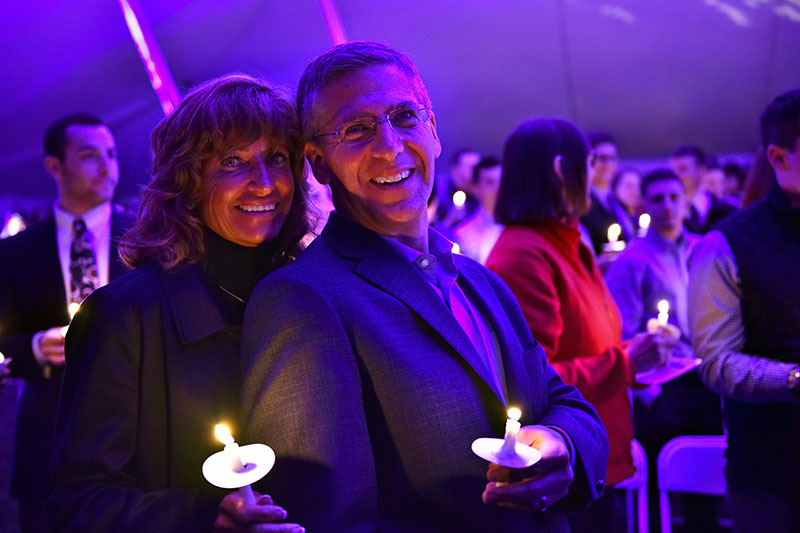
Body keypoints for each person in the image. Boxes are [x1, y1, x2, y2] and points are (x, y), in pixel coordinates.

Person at [241, 41, 608, 533]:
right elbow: (329, 519)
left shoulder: (481, 280)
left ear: (433, 132)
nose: (389, 145)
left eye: (404, 117)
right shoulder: (302, 299)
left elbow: (565, 400)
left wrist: (564, 442)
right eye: (357, 129)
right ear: (318, 162)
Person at [47, 74, 308, 532]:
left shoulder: (310, 297)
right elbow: (78, 499)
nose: (264, 184)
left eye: (277, 159)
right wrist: (204, 517)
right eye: (233, 162)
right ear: (186, 180)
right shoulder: (125, 315)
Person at [485, 118, 676, 532]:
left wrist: (639, 355)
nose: (595, 176)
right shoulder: (524, 254)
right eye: (588, 163)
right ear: (559, 170)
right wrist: (626, 362)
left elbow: (588, 341)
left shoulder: (567, 241)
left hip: (591, 453)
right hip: (562, 465)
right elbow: (535, 382)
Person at [0, 112, 132, 533]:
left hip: (134, 439)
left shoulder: (145, 237)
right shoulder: (17, 251)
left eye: (111, 155)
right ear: (54, 166)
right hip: (46, 443)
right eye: (90, 156)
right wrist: (36, 347)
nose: (108, 166)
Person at [688, 89, 800, 533]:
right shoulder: (725, 243)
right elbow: (715, 362)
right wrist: (793, 379)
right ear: (778, 157)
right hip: (773, 478)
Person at [605, 169, 723, 532]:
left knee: (705, 481)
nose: (667, 206)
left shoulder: (706, 248)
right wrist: (648, 389)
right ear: (644, 204)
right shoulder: (632, 260)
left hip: (706, 378)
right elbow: (618, 329)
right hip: (663, 381)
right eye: (657, 199)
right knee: (660, 482)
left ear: (686, 201)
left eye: (674, 197)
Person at [580, 132, 633, 254]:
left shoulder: (617, 202)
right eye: (602, 158)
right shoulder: (582, 203)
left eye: (612, 158)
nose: (608, 164)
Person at [669, 144, 736, 234]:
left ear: (701, 170)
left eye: (683, 169)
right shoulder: (668, 212)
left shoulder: (726, 210)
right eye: (673, 170)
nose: (677, 175)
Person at [452, 156, 504, 263]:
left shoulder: (520, 226)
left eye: (502, 181)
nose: (498, 188)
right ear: (476, 189)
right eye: (490, 183)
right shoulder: (463, 234)